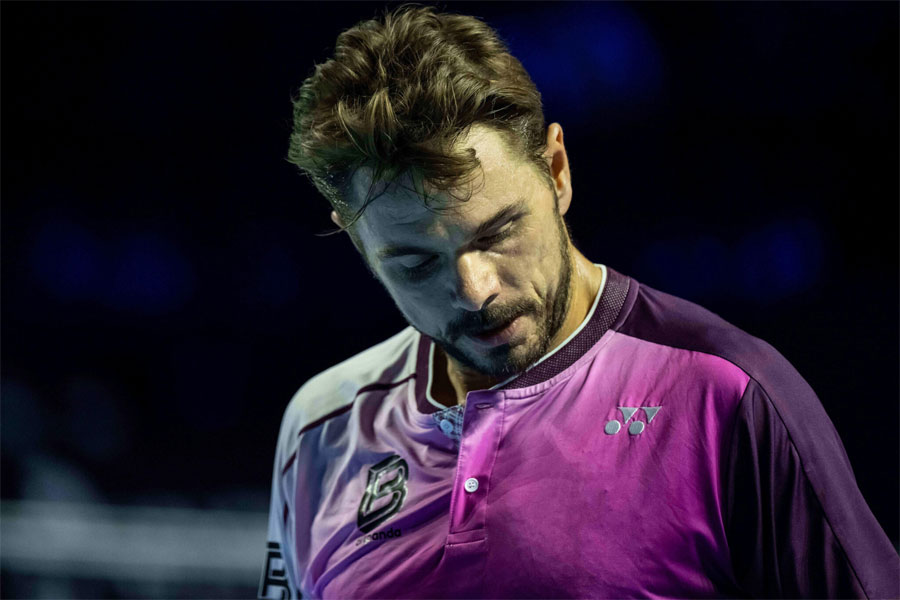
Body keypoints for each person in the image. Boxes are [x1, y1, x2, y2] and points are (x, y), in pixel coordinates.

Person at [259, 5, 899, 599]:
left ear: (557, 170)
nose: (477, 290)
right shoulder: (319, 428)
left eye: (499, 231)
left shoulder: (728, 394)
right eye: (416, 263)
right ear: (356, 239)